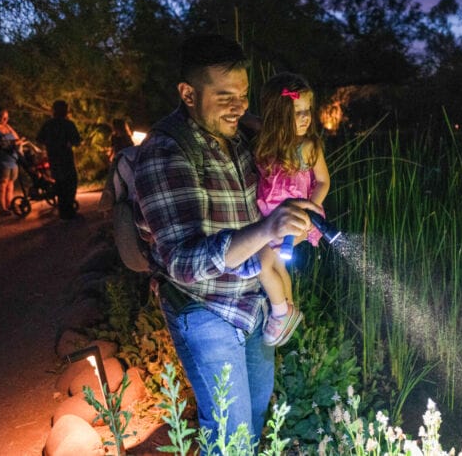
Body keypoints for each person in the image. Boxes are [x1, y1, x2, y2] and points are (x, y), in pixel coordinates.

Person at [133, 34, 320, 447]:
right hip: (205, 310)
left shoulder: (236, 138)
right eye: (224, 96)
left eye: (244, 94)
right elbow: (182, 261)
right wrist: (267, 230)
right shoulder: (167, 152)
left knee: (251, 420)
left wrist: (291, 219)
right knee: (229, 437)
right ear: (187, 93)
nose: (239, 106)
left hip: (252, 303)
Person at [253, 73, 330, 346]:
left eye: (307, 111)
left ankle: (281, 311)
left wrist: (313, 206)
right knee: (271, 262)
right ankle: (286, 307)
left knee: (264, 264)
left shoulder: (308, 147)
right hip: (272, 217)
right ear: (278, 115)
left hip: (298, 219)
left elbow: (322, 180)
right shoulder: (268, 143)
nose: (305, 117)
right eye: (297, 112)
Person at [36, 100, 82, 220]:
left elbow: (39, 138)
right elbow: (76, 140)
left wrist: (49, 144)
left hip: (54, 157)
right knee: (70, 182)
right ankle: (68, 210)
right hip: (65, 157)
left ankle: (63, 211)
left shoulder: (48, 124)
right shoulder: (68, 124)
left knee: (60, 183)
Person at [0, 107, 24, 216]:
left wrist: (18, 142)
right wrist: (7, 144)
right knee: (0, 184)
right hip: (0, 160)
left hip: (12, 159)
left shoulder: (8, 127)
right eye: (3, 117)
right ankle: (1, 208)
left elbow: (17, 138)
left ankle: (9, 204)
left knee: (10, 184)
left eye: (7, 117)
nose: (6, 119)